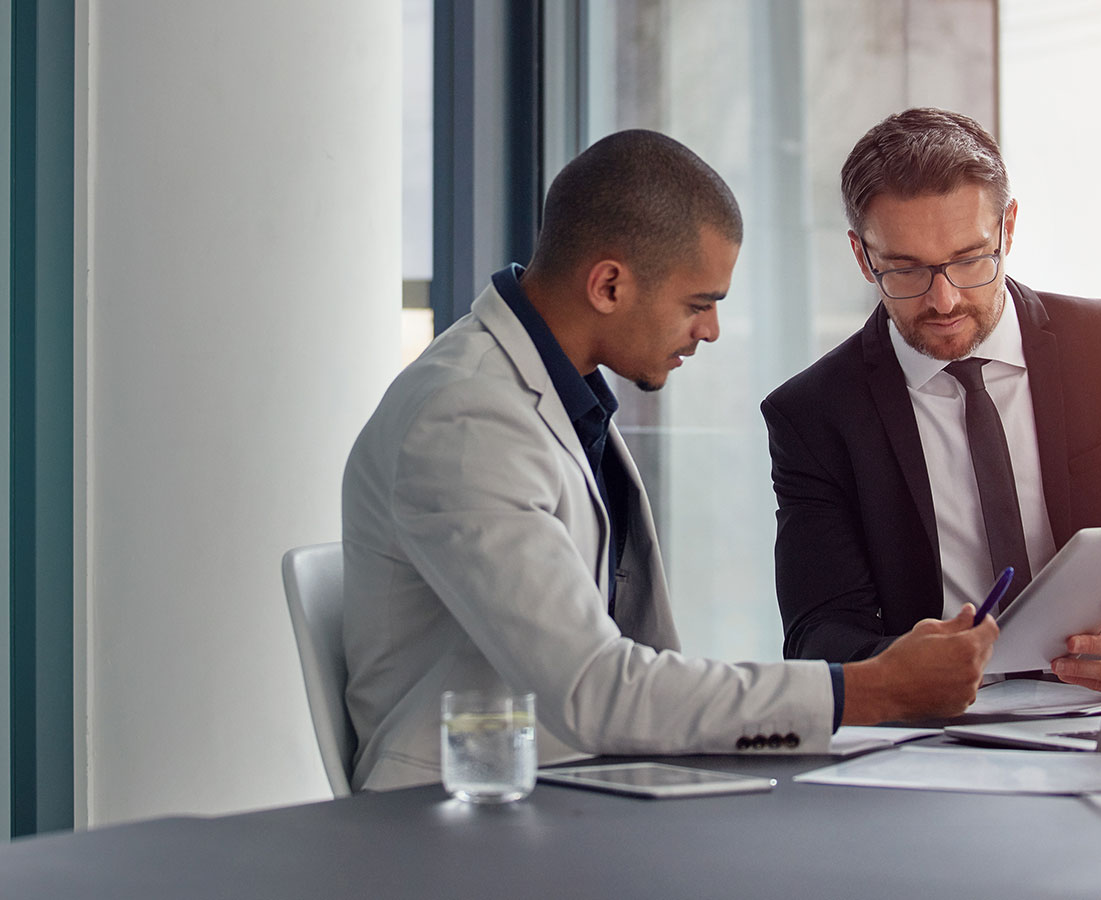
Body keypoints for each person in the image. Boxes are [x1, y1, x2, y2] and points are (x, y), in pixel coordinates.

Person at [342, 129, 997, 791]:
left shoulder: (557, 397)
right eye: (698, 304)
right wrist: (868, 690)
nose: (709, 330)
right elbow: (594, 689)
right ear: (608, 285)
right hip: (461, 821)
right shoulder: (466, 418)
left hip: (575, 790)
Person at [762, 108, 1101, 692]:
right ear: (863, 257)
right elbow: (818, 633)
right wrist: (906, 667)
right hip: (940, 730)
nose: (944, 300)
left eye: (969, 259)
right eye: (905, 270)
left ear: (1008, 229)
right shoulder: (813, 415)